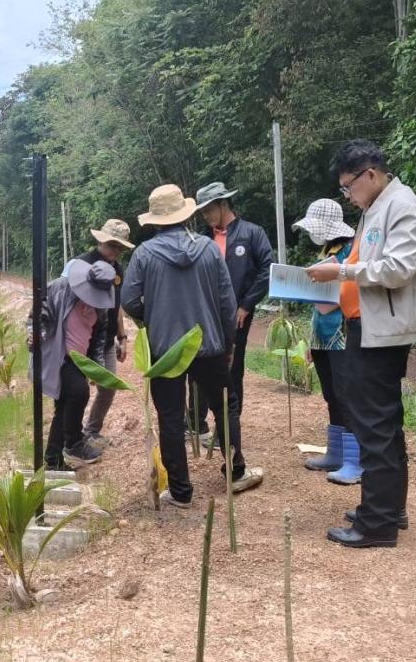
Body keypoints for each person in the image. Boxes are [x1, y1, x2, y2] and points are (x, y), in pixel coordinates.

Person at [306, 140, 416, 548]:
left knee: (374, 424)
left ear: (370, 175)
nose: (348, 195)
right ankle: (387, 508)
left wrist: (341, 270)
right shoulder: (375, 207)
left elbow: (398, 269)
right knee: (380, 422)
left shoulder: (401, 205)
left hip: (381, 330)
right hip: (367, 325)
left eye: (348, 187)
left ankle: (377, 524)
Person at [122, 184, 264, 507]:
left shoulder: (144, 254)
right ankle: (236, 470)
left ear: (156, 221)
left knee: (170, 417)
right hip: (209, 344)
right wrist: (228, 342)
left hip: (166, 350)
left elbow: (129, 299)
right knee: (224, 407)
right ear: (185, 215)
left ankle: (181, 491)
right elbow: (227, 302)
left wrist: (153, 315)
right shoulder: (209, 249)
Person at [187, 181, 273, 443]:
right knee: (197, 366)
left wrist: (246, 305)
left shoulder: (252, 233)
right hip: (204, 317)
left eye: (208, 210)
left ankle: (227, 430)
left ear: (223, 204)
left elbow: (267, 269)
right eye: (201, 212)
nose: (205, 216)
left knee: (232, 369)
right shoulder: (202, 240)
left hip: (237, 316)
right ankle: (196, 425)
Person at [291, 199, 358, 479]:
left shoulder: (349, 253)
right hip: (323, 336)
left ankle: (355, 461)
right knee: (331, 395)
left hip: (342, 336)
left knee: (347, 396)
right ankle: (336, 453)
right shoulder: (328, 251)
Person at [33, 258, 116, 470]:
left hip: (80, 359)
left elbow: (98, 338)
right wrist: (37, 334)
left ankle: (54, 457)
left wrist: (97, 368)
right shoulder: (60, 288)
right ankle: (73, 443)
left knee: (64, 405)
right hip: (59, 354)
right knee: (78, 393)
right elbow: (38, 311)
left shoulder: (100, 307)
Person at [77, 219, 135, 446]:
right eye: (113, 245)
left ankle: (92, 430)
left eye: (120, 247)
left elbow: (116, 304)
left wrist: (122, 337)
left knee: (108, 386)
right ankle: (72, 437)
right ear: (101, 240)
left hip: (107, 340)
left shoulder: (117, 269)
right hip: (82, 341)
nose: (116, 251)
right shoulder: (81, 264)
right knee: (78, 391)